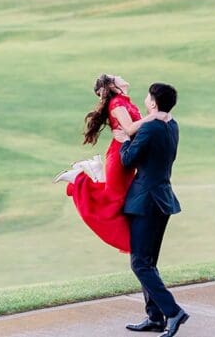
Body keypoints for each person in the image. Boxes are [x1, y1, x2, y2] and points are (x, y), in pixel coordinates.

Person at [54, 74, 170, 253]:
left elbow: (135, 129)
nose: (121, 76)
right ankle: (79, 180)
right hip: (119, 156)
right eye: (116, 76)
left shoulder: (125, 101)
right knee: (114, 201)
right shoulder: (117, 103)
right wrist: (156, 116)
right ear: (112, 86)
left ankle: (94, 172)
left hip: (127, 155)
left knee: (120, 199)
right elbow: (130, 128)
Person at [112, 82, 188, 336]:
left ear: (153, 103)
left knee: (140, 265)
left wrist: (124, 140)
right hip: (163, 199)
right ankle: (155, 318)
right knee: (149, 262)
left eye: (148, 96)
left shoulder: (150, 128)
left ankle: (173, 312)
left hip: (146, 202)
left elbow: (127, 160)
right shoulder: (172, 125)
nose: (145, 99)